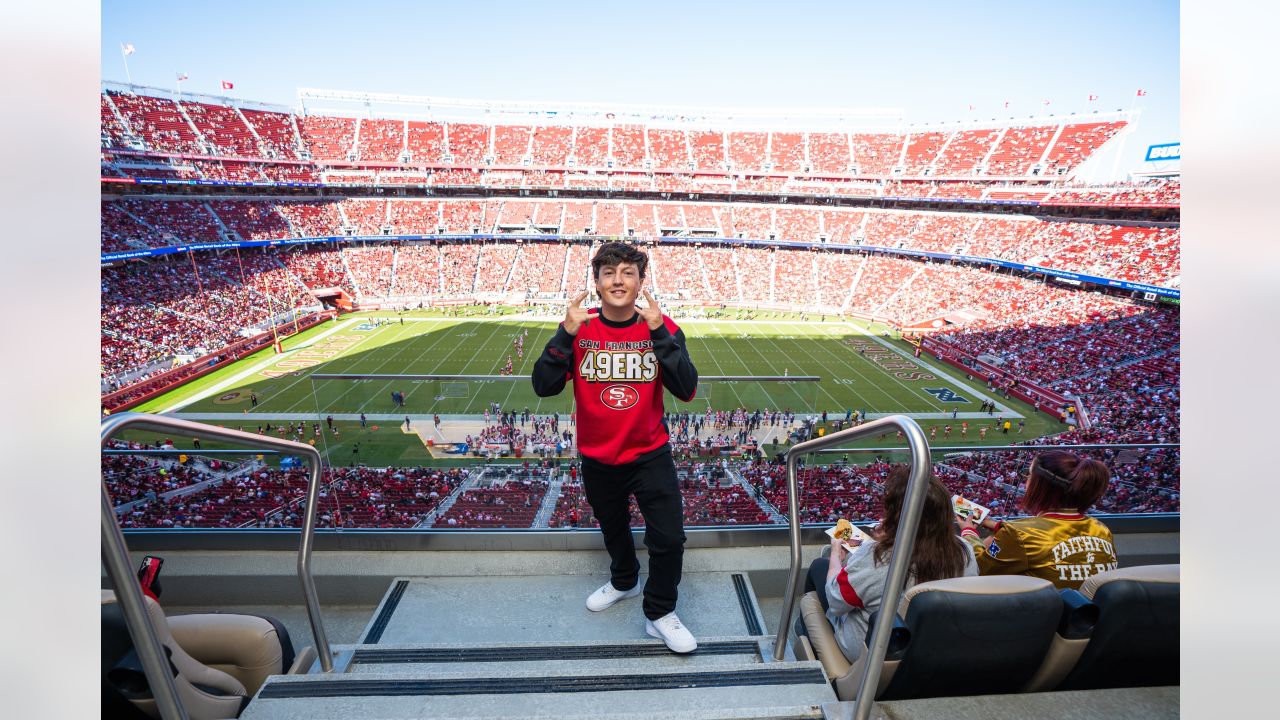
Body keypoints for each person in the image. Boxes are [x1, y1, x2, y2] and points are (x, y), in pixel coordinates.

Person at [532, 242, 699, 653]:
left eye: (628, 272)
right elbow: (543, 385)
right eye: (609, 273)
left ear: (641, 282)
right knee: (613, 528)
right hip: (597, 455)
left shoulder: (662, 325)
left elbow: (687, 388)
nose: (618, 280)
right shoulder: (580, 326)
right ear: (597, 283)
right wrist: (564, 334)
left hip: (649, 452)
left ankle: (659, 613)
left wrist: (660, 333)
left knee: (670, 537)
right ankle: (624, 580)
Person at [804, 465, 977, 663]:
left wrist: (836, 554)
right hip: (935, 651)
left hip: (875, 658)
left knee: (820, 565)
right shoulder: (965, 550)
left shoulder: (877, 556)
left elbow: (835, 601)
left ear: (896, 516)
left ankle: (812, 653)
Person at [958, 450, 1117, 590]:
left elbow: (979, 569)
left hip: (1041, 618)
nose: (1026, 480)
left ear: (1040, 486)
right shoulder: (1101, 529)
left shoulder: (1017, 534)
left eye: (1029, 474)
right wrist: (996, 525)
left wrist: (968, 530)